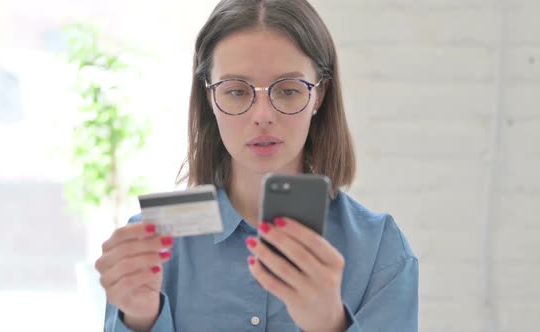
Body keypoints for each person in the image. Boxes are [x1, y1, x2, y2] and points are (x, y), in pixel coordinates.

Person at [96, 0, 419, 331]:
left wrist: (331, 324)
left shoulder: (381, 250)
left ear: (319, 95)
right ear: (209, 97)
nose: (263, 115)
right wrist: (140, 319)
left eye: (289, 90)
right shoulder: (150, 245)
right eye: (236, 91)